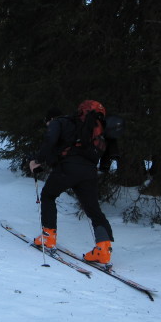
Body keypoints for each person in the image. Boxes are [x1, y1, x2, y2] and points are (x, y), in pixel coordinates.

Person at [29, 101, 115, 265]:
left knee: (48, 195)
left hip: (68, 168)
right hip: (89, 171)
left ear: (51, 118)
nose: (48, 125)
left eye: (47, 122)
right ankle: (103, 250)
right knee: (93, 209)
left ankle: (48, 237)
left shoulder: (59, 122)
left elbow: (50, 141)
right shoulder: (89, 127)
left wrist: (37, 160)